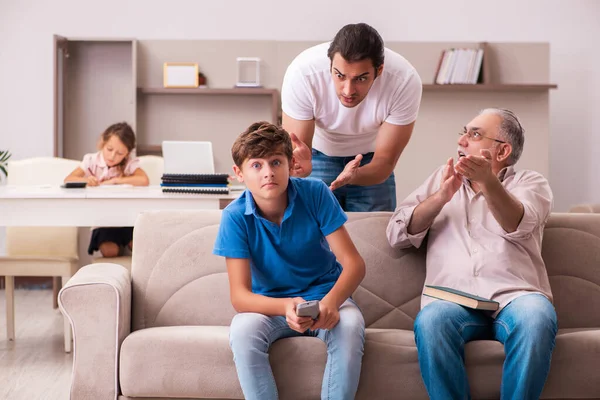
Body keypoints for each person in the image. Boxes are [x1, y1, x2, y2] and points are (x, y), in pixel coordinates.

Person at [386, 108, 557, 399]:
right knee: (431, 320)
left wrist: (488, 182)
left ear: (502, 150)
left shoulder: (530, 182)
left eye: (475, 134)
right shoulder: (442, 178)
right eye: (464, 132)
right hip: (452, 300)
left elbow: (518, 223)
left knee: (537, 316)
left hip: (515, 298)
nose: (463, 140)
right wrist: (441, 197)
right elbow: (397, 235)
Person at [213, 121, 366, 400]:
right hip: (270, 307)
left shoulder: (316, 193)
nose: (268, 173)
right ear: (238, 173)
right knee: (243, 330)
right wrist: (286, 306)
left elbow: (354, 264)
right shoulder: (234, 217)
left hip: (326, 297)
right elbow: (240, 297)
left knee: (351, 326)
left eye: (275, 162)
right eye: (256, 165)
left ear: (290, 163)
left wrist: (331, 303)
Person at [281, 22, 422, 212]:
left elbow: (385, 161)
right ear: (330, 65)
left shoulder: (404, 81)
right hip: (316, 155)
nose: (348, 90)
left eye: (361, 78)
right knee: (311, 233)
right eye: (340, 76)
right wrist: (300, 167)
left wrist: (354, 176)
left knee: (376, 236)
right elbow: (297, 154)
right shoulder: (303, 73)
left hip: (371, 159)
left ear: (379, 71)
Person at [64, 122, 149, 257]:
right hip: (103, 220)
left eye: (120, 153)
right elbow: (69, 179)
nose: (112, 156)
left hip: (126, 218)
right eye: (109, 149)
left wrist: (116, 180)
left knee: (141, 246)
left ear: (127, 154)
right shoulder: (91, 160)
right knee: (110, 251)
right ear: (103, 143)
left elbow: (144, 180)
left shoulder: (128, 164)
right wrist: (86, 180)